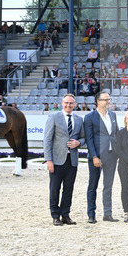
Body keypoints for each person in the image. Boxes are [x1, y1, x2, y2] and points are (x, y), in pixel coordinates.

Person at [43, 94, 85, 226]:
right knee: (54, 189)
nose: (68, 105)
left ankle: (65, 215)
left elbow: (83, 138)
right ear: (62, 103)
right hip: (56, 160)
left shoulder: (79, 119)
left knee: (68, 189)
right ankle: (55, 216)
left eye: (71, 103)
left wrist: (78, 143)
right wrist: (48, 159)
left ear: (75, 105)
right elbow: (47, 139)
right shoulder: (54, 117)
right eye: (66, 103)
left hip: (72, 160)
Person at [84, 92, 119, 223]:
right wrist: (94, 156)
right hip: (97, 157)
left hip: (111, 155)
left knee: (108, 186)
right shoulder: (89, 117)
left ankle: (107, 214)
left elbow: (116, 134)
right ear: (98, 101)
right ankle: (91, 214)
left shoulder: (113, 115)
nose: (108, 102)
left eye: (109, 99)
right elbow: (89, 139)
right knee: (93, 186)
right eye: (106, 100)